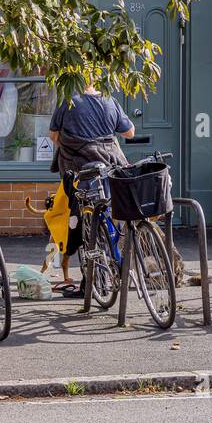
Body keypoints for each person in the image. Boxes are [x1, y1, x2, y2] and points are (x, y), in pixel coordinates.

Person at [48, 85, 136, 288]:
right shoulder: (110, 101)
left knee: (84, 223)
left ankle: (92, 282)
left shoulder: (69, 101)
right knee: (113, 215)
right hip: (111, 166)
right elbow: (129, 132)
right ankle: (115, 264)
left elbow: (53, 137)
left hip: (81, 171)